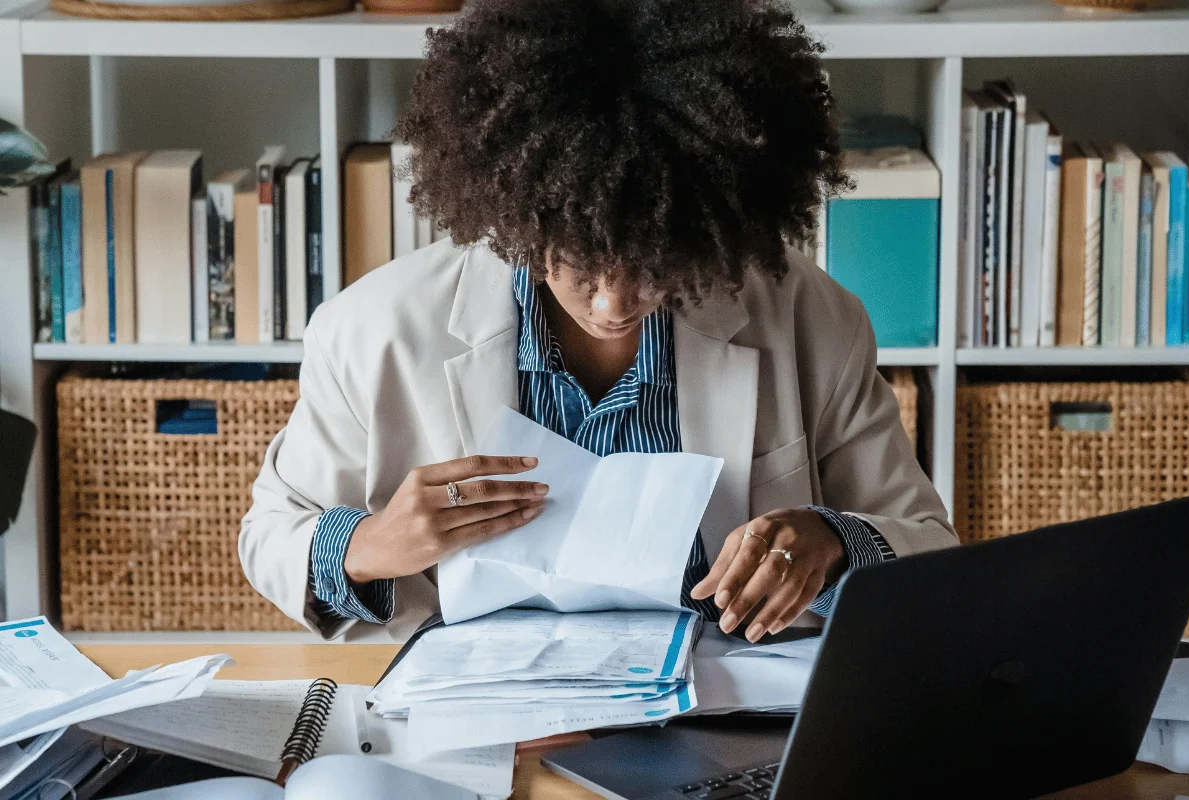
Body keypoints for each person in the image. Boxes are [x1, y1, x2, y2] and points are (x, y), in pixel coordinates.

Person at [239, 0, 957, 641]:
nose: (616, 304)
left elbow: (930, 546)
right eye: (580, 261)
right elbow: (270, 533)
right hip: (479, 715)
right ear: (515, 210)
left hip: (721, 701)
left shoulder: (813, 319)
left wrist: (832, 540)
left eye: (657, 264)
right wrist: (370, 544)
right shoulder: (372, 329)